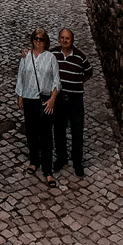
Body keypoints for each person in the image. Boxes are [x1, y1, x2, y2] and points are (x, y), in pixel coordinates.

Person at [14, 28, 61, 186]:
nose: (38, 41)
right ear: (32, 39)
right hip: (29, 98)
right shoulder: (26, 56)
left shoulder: (50, 58)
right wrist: (19, 95)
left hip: (45, 100)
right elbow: (21, 76)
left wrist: (53, 99)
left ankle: (47, 171)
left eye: (41, 39)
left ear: (45, 41)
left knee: (46, 134)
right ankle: (34, 161)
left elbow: (57, 81)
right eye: (35, 38)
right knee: (31, 131)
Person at [52, 28, 93, 176]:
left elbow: (89, 72)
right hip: (59, 98)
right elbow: (40, 60)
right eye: (62, 38)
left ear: (72, 40)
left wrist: (78, 82)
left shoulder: (80, 57)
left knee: (77, 131)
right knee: (59, 130)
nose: (64, 40)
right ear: (59, 39)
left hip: (75, 100)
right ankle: (61, 158)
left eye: (67, 38)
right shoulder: (53, 54)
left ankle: (77, 162)